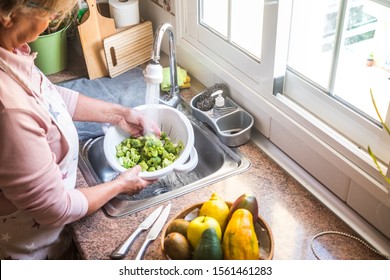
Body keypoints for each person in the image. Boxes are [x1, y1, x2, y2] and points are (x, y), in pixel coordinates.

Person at [0, 0, 160, 259]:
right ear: (8, 15)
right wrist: (120, 185)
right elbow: (55, 208)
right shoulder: (10, 110)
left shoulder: (10, 51)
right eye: (49, 13)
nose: (52, 21)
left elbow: (48, 98)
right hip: (32, 253)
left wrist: (119, 114)